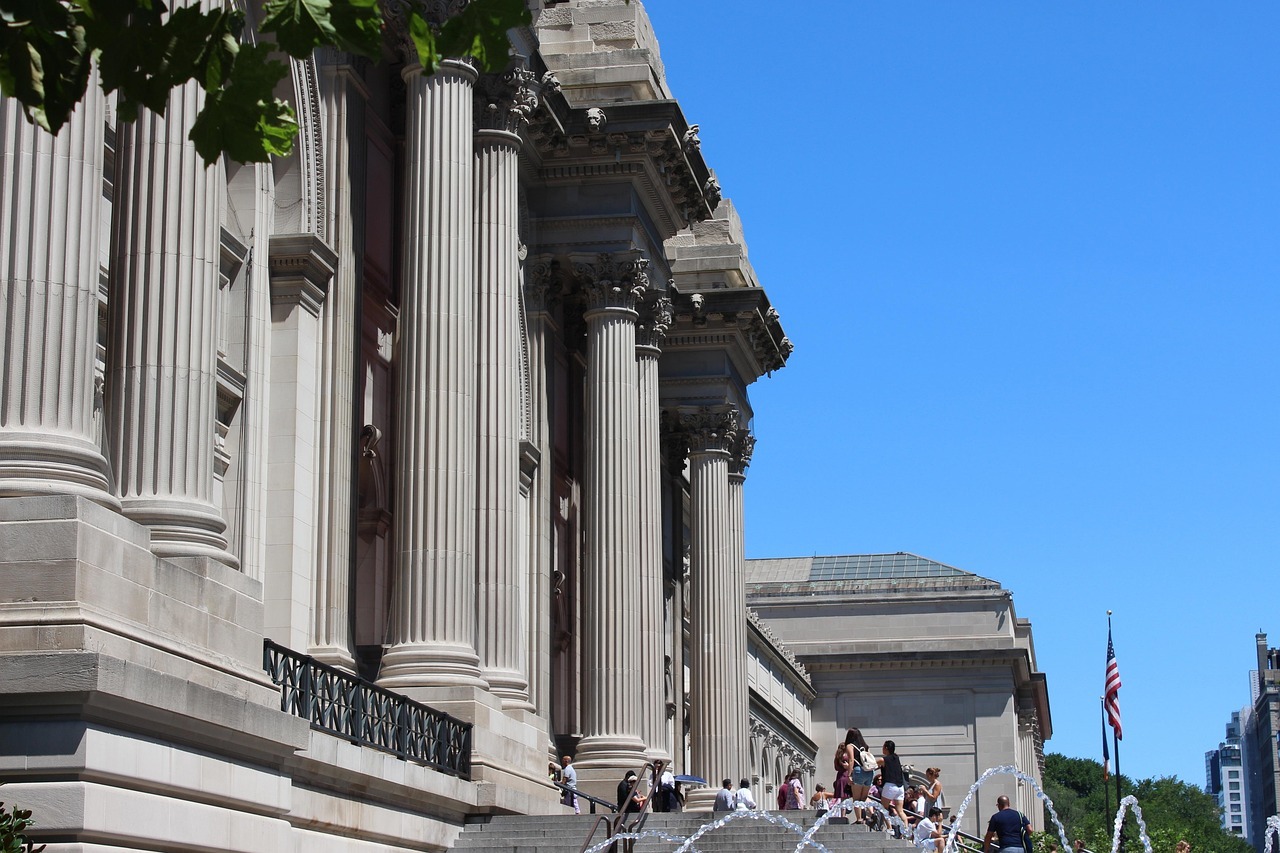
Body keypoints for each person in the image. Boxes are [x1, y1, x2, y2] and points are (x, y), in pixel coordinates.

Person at [844, 728, 876, 825]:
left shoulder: (850, 746)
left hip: (858, 771)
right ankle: (868, 815)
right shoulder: (865, 746)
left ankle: (859, 819)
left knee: (856, 798)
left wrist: (848, 775)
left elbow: (851, 760)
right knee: (864, 797)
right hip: (869, 772)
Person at [878, 740, 910, 831]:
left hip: (890, 785)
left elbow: (872, 764)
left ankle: (889, 828)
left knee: (883, 808)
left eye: (883, 747)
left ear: (886, 748)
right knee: (900, 810)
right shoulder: (896, 757)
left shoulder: (883, 759)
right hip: (900, 787)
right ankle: (906, 830)